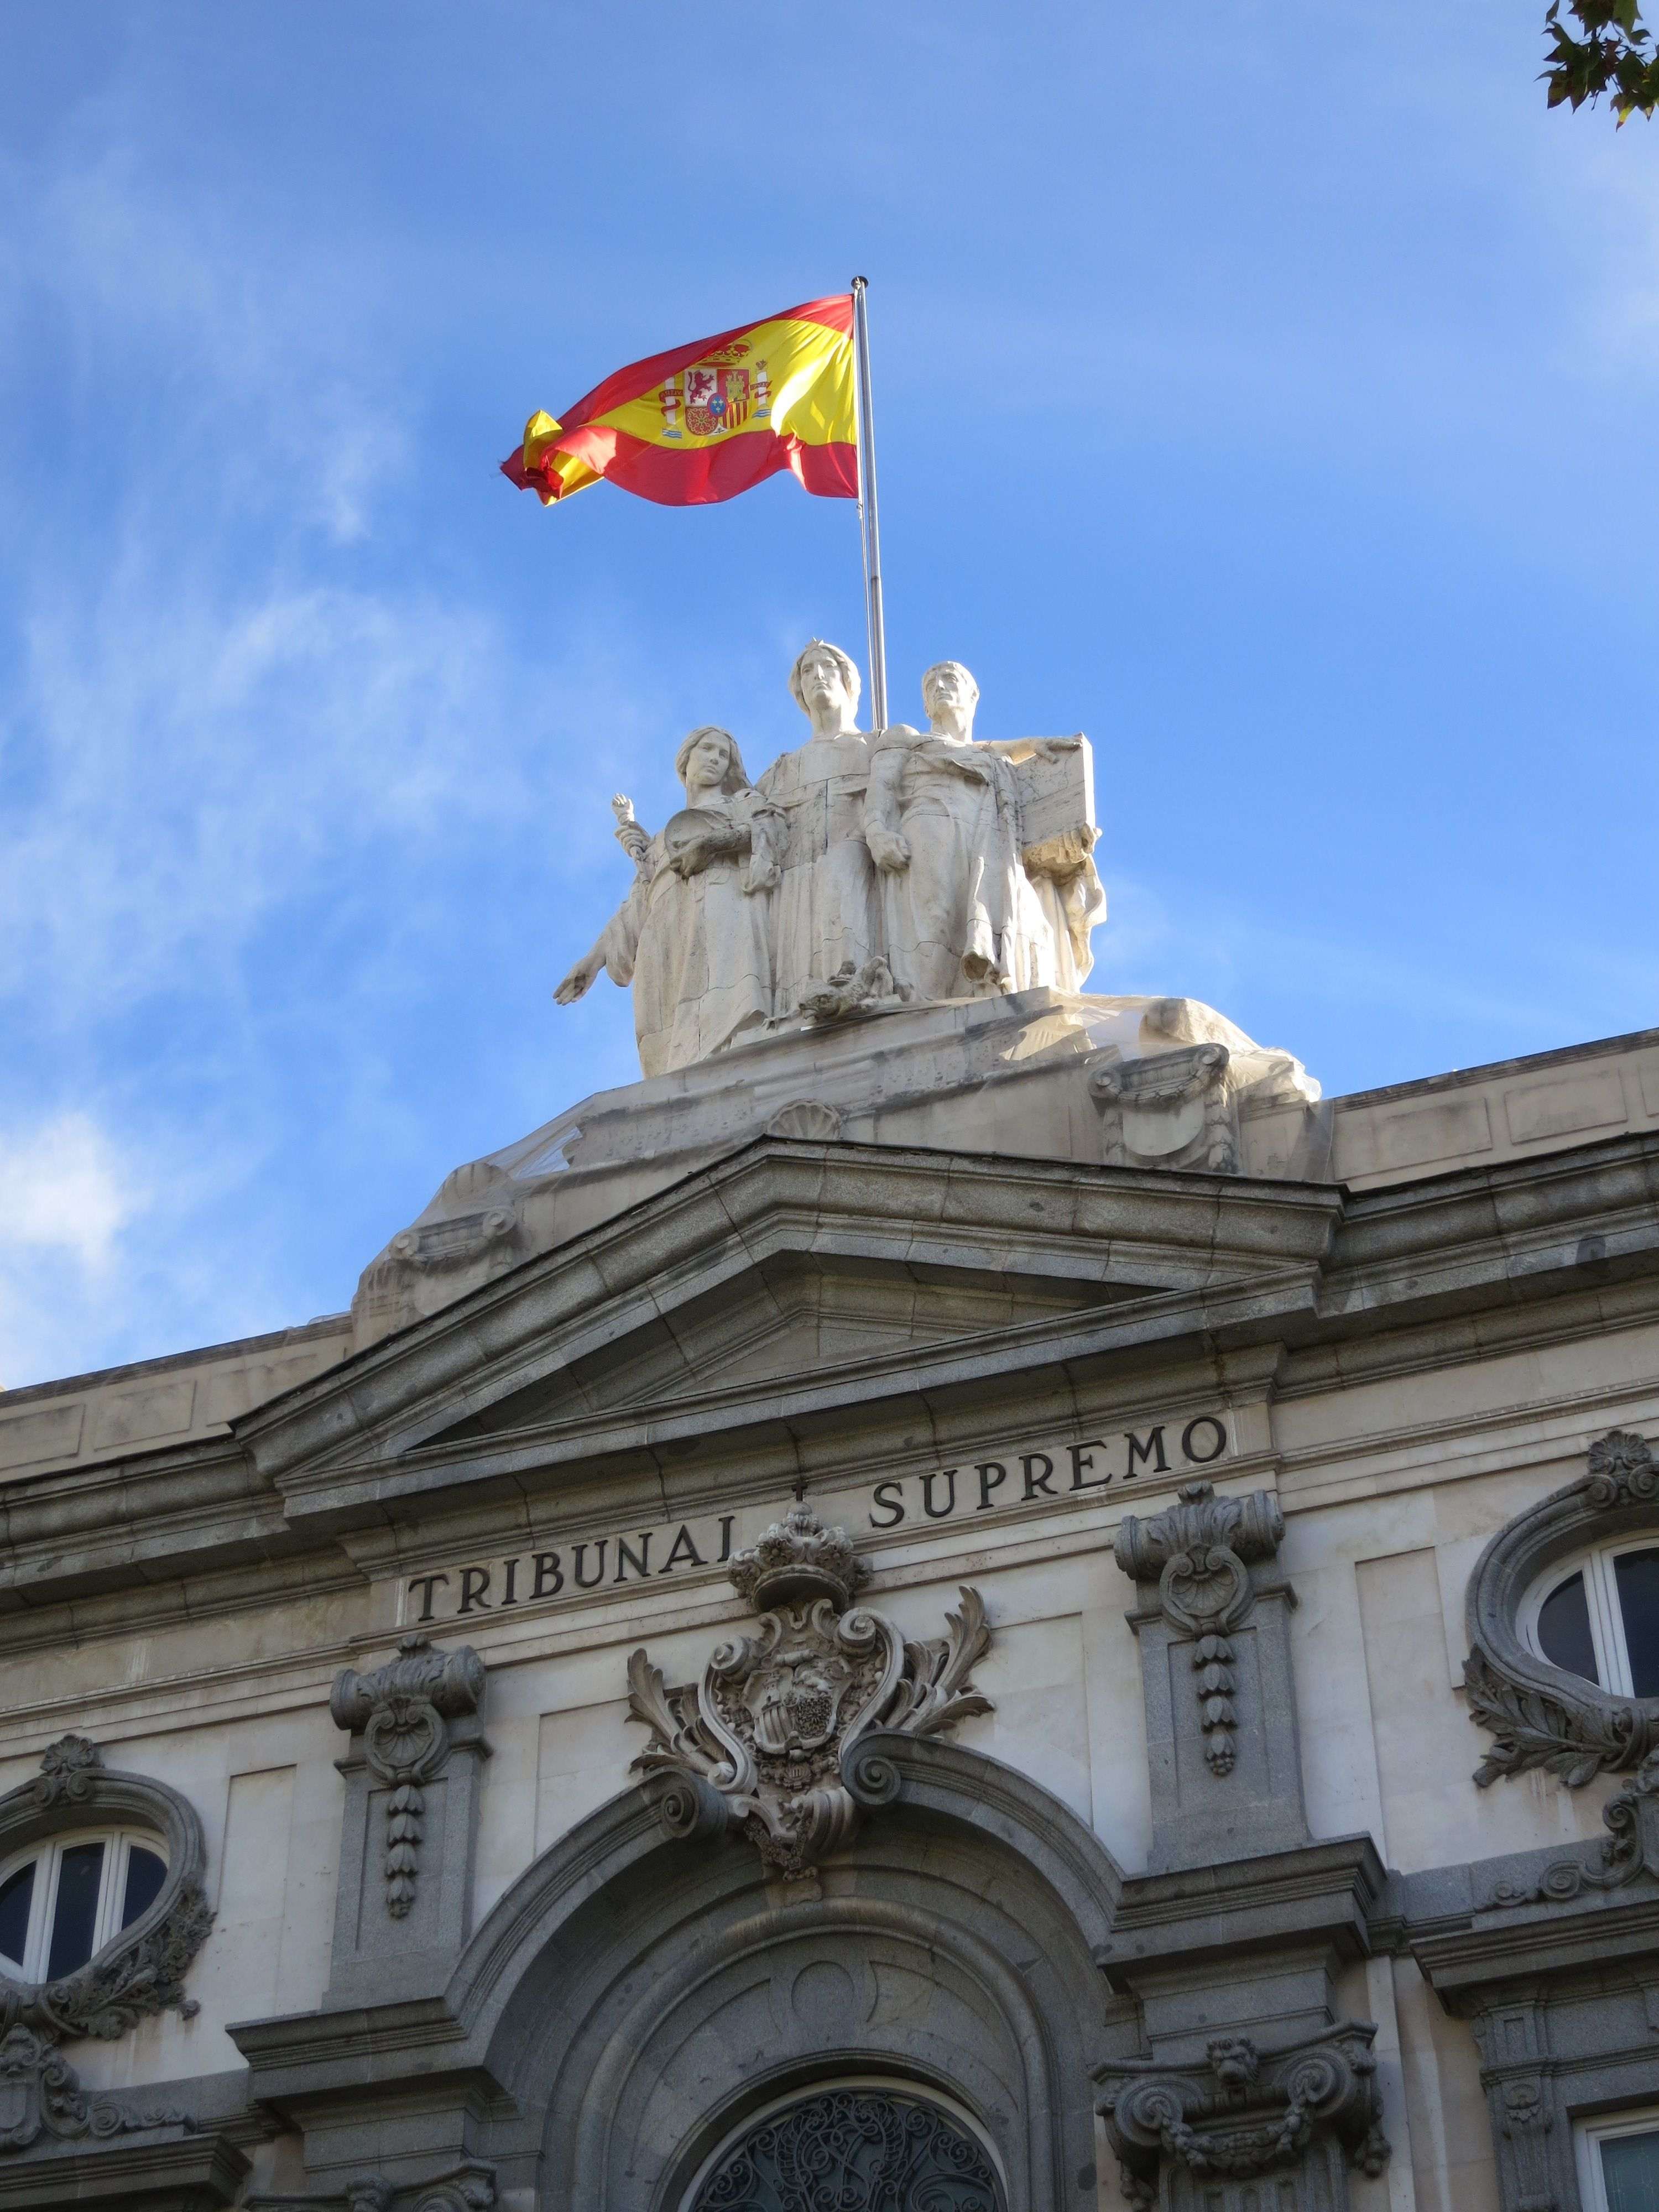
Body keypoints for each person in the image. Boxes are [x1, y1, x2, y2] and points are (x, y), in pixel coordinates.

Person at [555, 727, 783, 1076]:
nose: (714, 759)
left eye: (723, 755)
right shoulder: (661, 840)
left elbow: (773, 833)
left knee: (729, 1035)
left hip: (724, 911)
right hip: (664, 936)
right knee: (670, 1060)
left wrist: (712, 845)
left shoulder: (743, 803)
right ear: (685, 761)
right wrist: (593, 961)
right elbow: (636, 907)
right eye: (707, 749)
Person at [863, 661, 1056, 1003]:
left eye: (949, 678)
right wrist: (877, 832)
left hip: (986, 839)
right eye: (930, 684)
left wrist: (1030, 745)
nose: (939, 686)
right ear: (925, 704)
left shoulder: (986, 756)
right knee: (934, 925)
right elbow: (881, 790)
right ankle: (924, 1010)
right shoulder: (904, 738)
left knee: (1013, 918)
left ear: (973, 694)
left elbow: (981, 749)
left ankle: (980, 996)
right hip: (929, 828)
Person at [755, 642, 881, 1016]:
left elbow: (945, 751)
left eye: (827, 667)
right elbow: (738, 811)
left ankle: (856, 982)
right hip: (796, 879)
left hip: (854, 859)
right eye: (808, 671)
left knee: (841, 874)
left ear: (847, 681)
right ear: (799, 692)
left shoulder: (875, 745)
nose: (818, 676)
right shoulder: (783, 769)